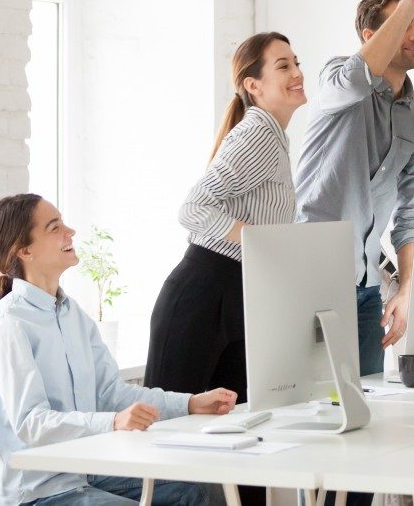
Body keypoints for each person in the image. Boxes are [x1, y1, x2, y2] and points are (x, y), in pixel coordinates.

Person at [0, 194, 236, 505]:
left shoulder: (74, 316)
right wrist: (112, 422)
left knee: (197, 488)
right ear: (25, 250)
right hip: (38, 491)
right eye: (54, 227)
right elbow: (31, 423)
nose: (70, 231)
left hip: (89, 472)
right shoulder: (9, 324)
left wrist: (191, 403)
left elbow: (113, 394)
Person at [144, 32, 304, 506]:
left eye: (296, 62)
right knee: (170, 446)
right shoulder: (257, 132)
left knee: (244, 438)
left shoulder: (273, 137)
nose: (297, 73)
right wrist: (256, 239)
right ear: (253, 85)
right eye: (282, 66)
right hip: (202, 294)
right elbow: (192, 208)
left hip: (237, 295)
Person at [295, 0, 414, 378]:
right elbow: (357, 76)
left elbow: (412, 213)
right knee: (306, 409)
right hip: (308, 277)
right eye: (405, 22)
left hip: (367, 286)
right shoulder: (337, 78)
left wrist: (408, 289)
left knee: (368, 408)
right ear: (373, 35)